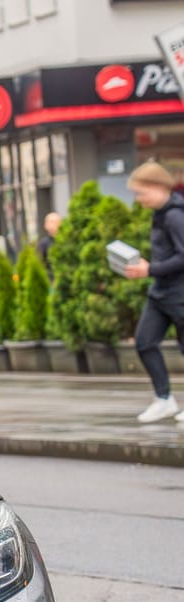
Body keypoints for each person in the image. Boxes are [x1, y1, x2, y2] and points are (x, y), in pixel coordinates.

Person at [122, 161, 184, 423]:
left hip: (180, 294)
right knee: (145, 342)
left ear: (158, 187)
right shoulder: (160, 214)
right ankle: (164, 399)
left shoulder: (175, 215)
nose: (139, 199)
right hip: (160, 293)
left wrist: (150, 270)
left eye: (141, 192)